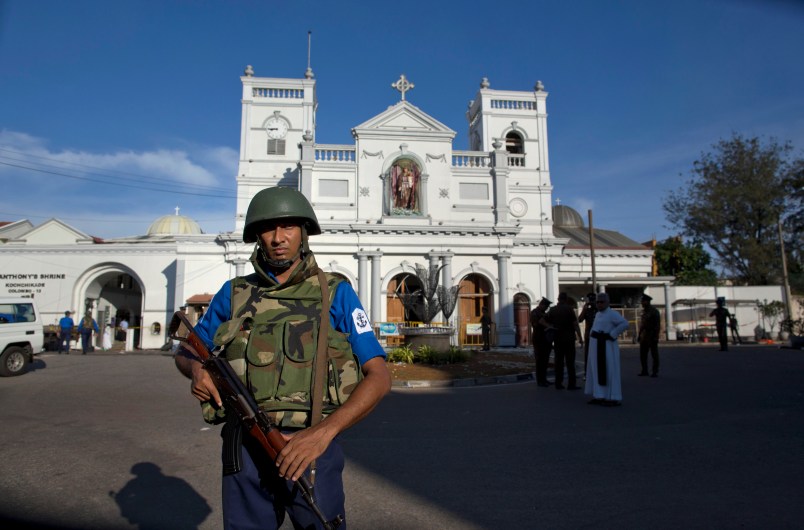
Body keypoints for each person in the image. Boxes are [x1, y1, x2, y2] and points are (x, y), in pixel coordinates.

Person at [174, 186, 391, 529]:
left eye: (288, 226)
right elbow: (187, 349)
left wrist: (323, 434)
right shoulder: (234, 294)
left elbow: (379, 376)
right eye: (268, 228)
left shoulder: (335, 292)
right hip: (245, 445)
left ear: (303, 232)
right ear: (257, 236)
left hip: (312, 447)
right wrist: (197, 370)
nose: (278, 237)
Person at [584, 293, 629, 406]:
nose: (599, 304)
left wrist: (612, 334)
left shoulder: (612, 314)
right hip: (595, 346)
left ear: (607, 303)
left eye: (602, 302)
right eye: (598, 302)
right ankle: (599, 395)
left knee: (609, 370)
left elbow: (624, 324)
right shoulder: (598, 314)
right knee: (595, 370)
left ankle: (613, 397)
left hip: (607, 346)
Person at [546, 292, 584, 390]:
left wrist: (551, 327)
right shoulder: (569, 309)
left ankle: (558, 383)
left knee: (558, 362)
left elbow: (543, 321)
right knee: (570, 363)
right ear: (566, 299)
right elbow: (575, 324)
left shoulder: (553, 310)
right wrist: (580, 338)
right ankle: (571, 384)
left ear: (558, 299)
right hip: (569, 339)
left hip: (557, 339)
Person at [530, 297, 553, 387]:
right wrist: (548, 326)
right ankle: (540, 380)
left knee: (545, 360)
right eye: (546, 306)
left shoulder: (544, 313)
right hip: (538, 338)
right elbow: (536, 324)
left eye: (547, 307)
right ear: (541, 305)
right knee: (540, 360)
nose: (547, 308)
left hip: (546, 339)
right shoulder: (534, 312)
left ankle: (544, 379)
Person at [638, 294, 661, 377]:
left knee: (654, 354)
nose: (642, 303)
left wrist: (656, 336)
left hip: (652, 335)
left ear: (647, 302)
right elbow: (642, 324)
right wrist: (639, 335)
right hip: (644, 336)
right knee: (643, 354)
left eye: (643, 301)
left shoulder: (654, 311)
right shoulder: (644, 311)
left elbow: (657, 325)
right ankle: (644, 370)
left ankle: (655, 371)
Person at [578, 292, 597, 370]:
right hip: (589, 335)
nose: (592, 302)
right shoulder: (587, 310)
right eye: (590, 300)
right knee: (588, 355)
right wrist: (584, 309)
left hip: (597, 335)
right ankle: (587, 372)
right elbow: (579, 319)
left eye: (593, 300)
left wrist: (596, 307)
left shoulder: (598, 309)